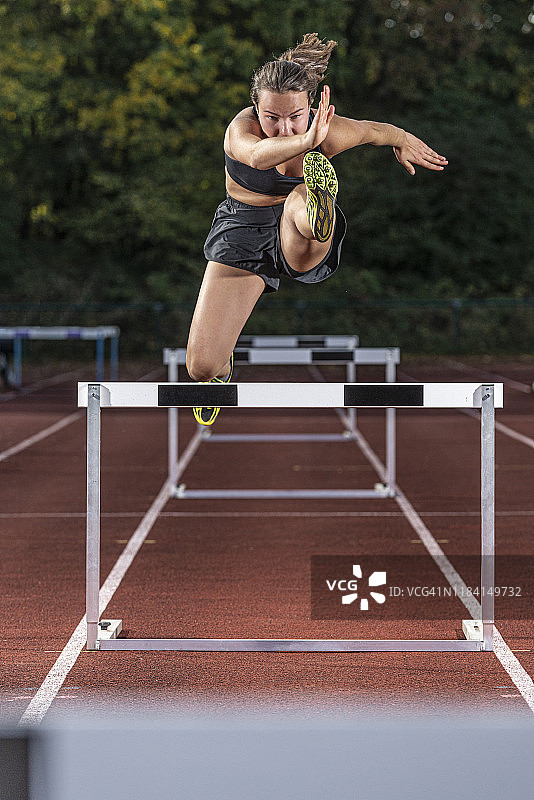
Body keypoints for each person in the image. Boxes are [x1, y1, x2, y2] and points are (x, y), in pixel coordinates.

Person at [186, 33, 447, 425]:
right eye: (271, 118)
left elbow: (376, 130)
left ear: (311, 106)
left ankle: (318, 213)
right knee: (199, 367)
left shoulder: (334, 131)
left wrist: (403, 140)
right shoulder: (241, 131)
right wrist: (309, 139)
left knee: (297, 202)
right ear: (256, 108)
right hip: (241, 226)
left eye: (296, 116)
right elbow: (257, 157)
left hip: (297, 232)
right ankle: (219, 370)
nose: (285, 129)